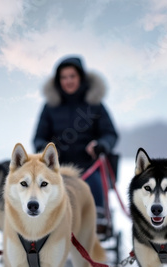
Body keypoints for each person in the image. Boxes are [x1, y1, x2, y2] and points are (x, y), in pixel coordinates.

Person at [33, 56, 118, 233]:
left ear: (80, 77)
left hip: (89, 163)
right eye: (64, 77)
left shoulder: (95, 105)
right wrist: (47, 149)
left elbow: (110, 134)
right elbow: (39, 138)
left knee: (93, 183)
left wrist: (101, 144)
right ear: (58, 80)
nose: (68, 81)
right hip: (58, 165)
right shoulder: (50, 107)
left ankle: (98, 217)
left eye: (72, 76)